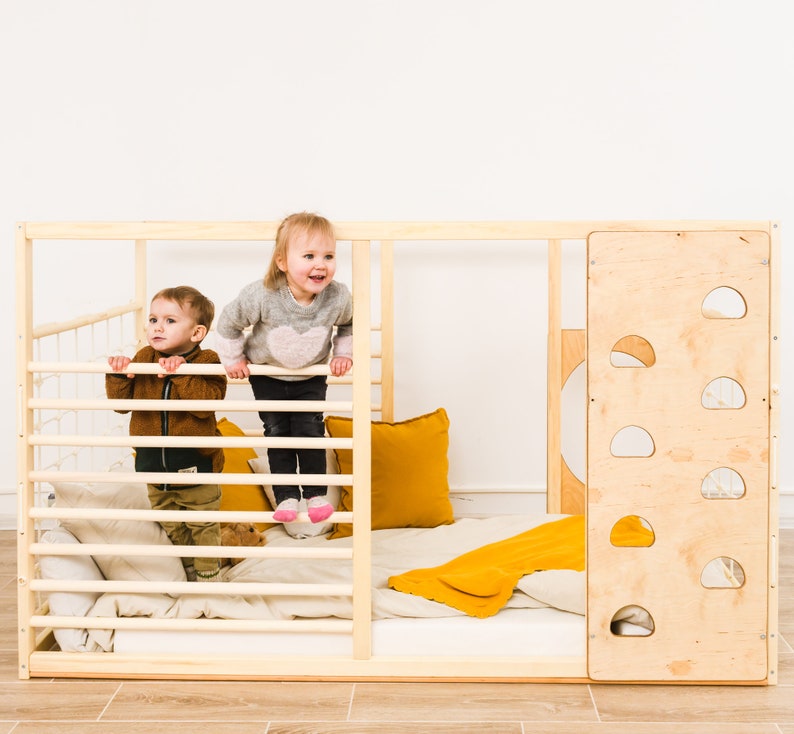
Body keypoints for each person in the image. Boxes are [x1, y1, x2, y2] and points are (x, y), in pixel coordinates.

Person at [215, 212, 353, 525]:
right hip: (268, 377)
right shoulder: (262, 294)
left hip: (310, 377)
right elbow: (228, 321)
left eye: (328, 256)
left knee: (309, 431)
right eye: (309, 256)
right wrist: (233, 358)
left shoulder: (338, 297)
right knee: (278, 433)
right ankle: (286, 495)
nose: (321, 264)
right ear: (282, 262)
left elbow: (350, 324)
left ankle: (315, 494)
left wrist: (344, 353)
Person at [106, 286, 227, 582]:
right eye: (153, 319)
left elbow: (206, 405)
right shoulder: (144, 356)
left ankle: (209, 573)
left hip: (195, 462)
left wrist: (182, 372)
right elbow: (121, 406)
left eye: (170, 321)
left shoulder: (207, 361)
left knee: (202, 523)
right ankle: (187, 568)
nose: (158, 326)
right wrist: (121, 374)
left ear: (196, 333)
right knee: (171, 522)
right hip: (152, 463)